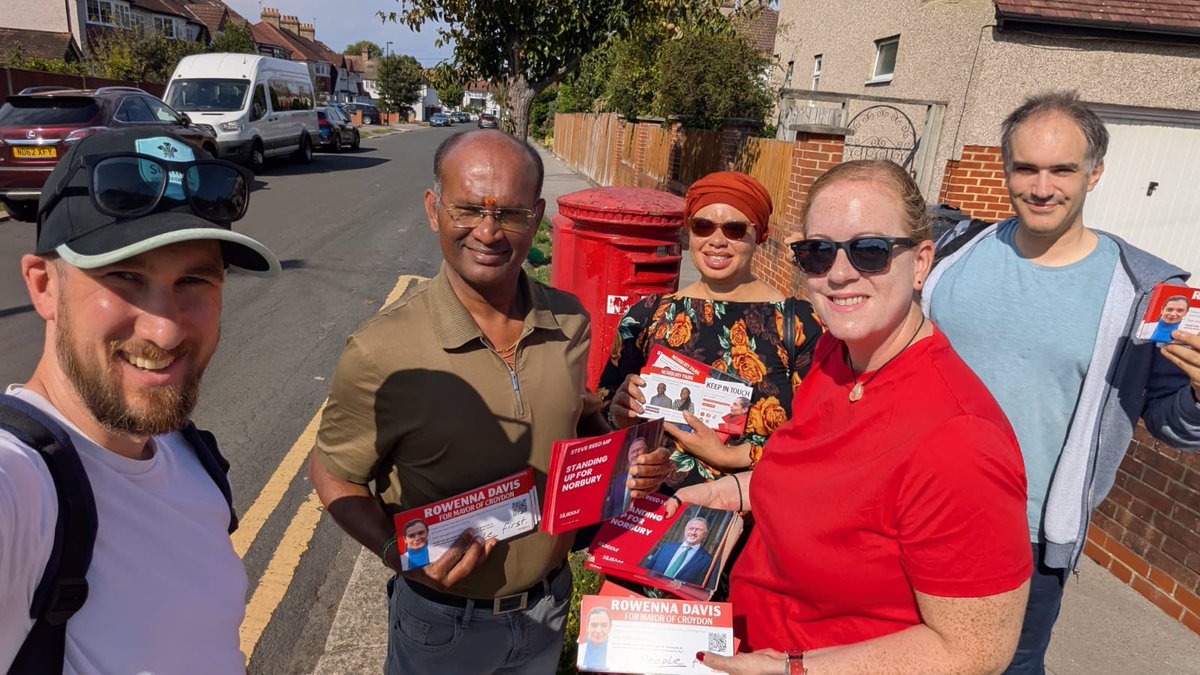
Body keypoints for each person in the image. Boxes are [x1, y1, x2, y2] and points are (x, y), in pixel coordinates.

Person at [307, 129, 673, 675]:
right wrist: (398, 556)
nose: (487, 231)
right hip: (442, 626)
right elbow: (333, 474)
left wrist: (626, 461)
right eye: (468, 209)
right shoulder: (381, 351)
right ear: (434, 209)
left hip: (549, 607)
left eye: (510, 213)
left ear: (538, 216)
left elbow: (575, 422)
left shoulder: (570, 321)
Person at [672, 160, 1032, 674]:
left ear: (922, 261)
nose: (839, 274)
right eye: (817, 253)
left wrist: (796, 669)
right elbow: (823, 483)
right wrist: (730, 493)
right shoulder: (836, 358)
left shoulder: (959, 440)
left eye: (870, 250)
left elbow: (975, 652)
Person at [924, 91, 1200, 674]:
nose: (1041, 187)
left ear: (1095, 174)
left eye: (1062, 170)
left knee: (1007, 668)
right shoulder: (949, 254)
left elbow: (1169, 422)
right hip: (914, 506)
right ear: (1005, 169)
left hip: (1026, 537)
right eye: (1026, 168)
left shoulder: (1141, 292)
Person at [0, 127, 280, 673]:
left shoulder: (188, 455)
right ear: (43, 286)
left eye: (194, 280)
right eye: (125, 277)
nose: (166, 330)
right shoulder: (23, 488)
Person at [603, 171, 823, 487]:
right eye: (703, 226)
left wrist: (731, 457)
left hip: (752, 518)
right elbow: (604, 417)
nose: (716, 240)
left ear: (759, 234)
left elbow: (819, 435)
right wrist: (621, 415)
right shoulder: (646, 316)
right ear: (689, 232)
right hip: (654, 513)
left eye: (734, 229)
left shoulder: (797, 323)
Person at [644, 516, 714, 586]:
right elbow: (647, 568)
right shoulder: (667, 547)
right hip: (648, 588)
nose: (693, 532)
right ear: (685, 530)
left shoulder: (708, 560)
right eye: (691, 528)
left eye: (698, 530)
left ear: (705, 534)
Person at [602, 436, 649, 520]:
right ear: (628, 456)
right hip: (615, 523)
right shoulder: (618, 480)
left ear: (646, 452)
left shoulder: (652, 477)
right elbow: (610, 508)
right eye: (632, 452)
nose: (635, 454)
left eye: (639, 450)